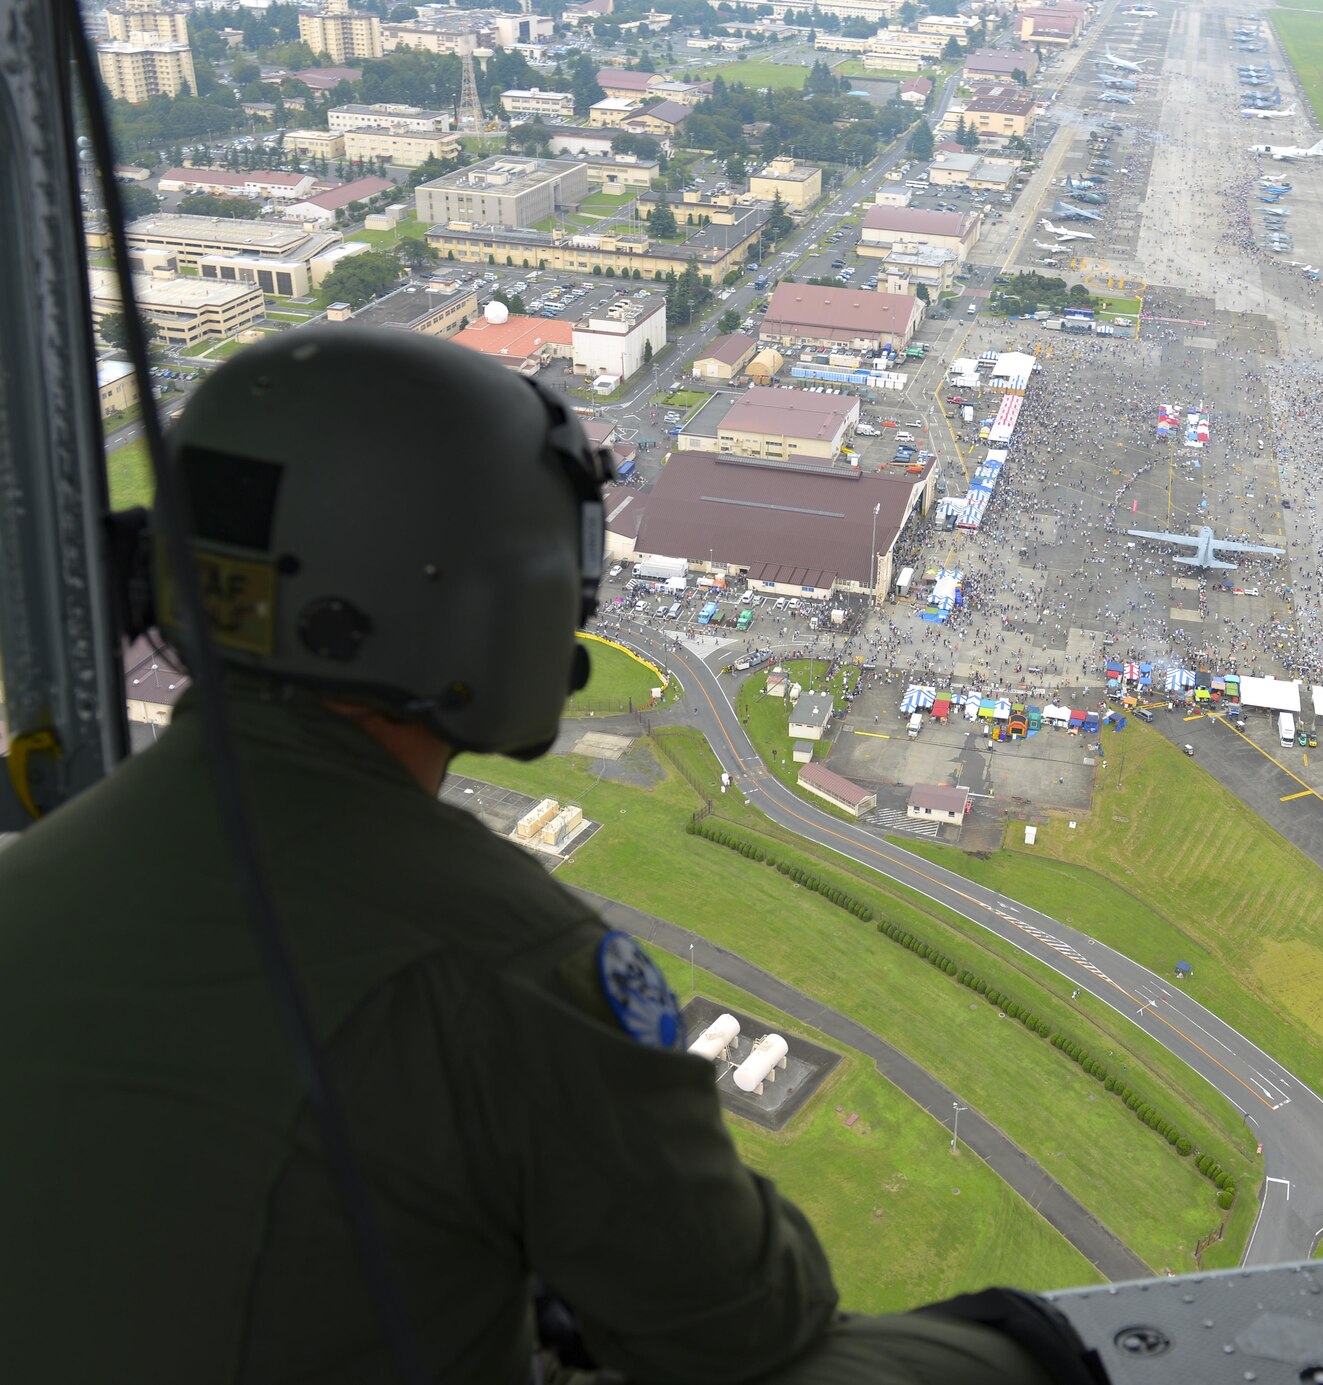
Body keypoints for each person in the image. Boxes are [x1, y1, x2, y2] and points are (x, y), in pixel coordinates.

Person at [0, 329, 1103, 1385]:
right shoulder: (510, 965)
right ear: (491, 600)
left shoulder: (33, 874)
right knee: (1002, 1352)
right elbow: (743, 1320)